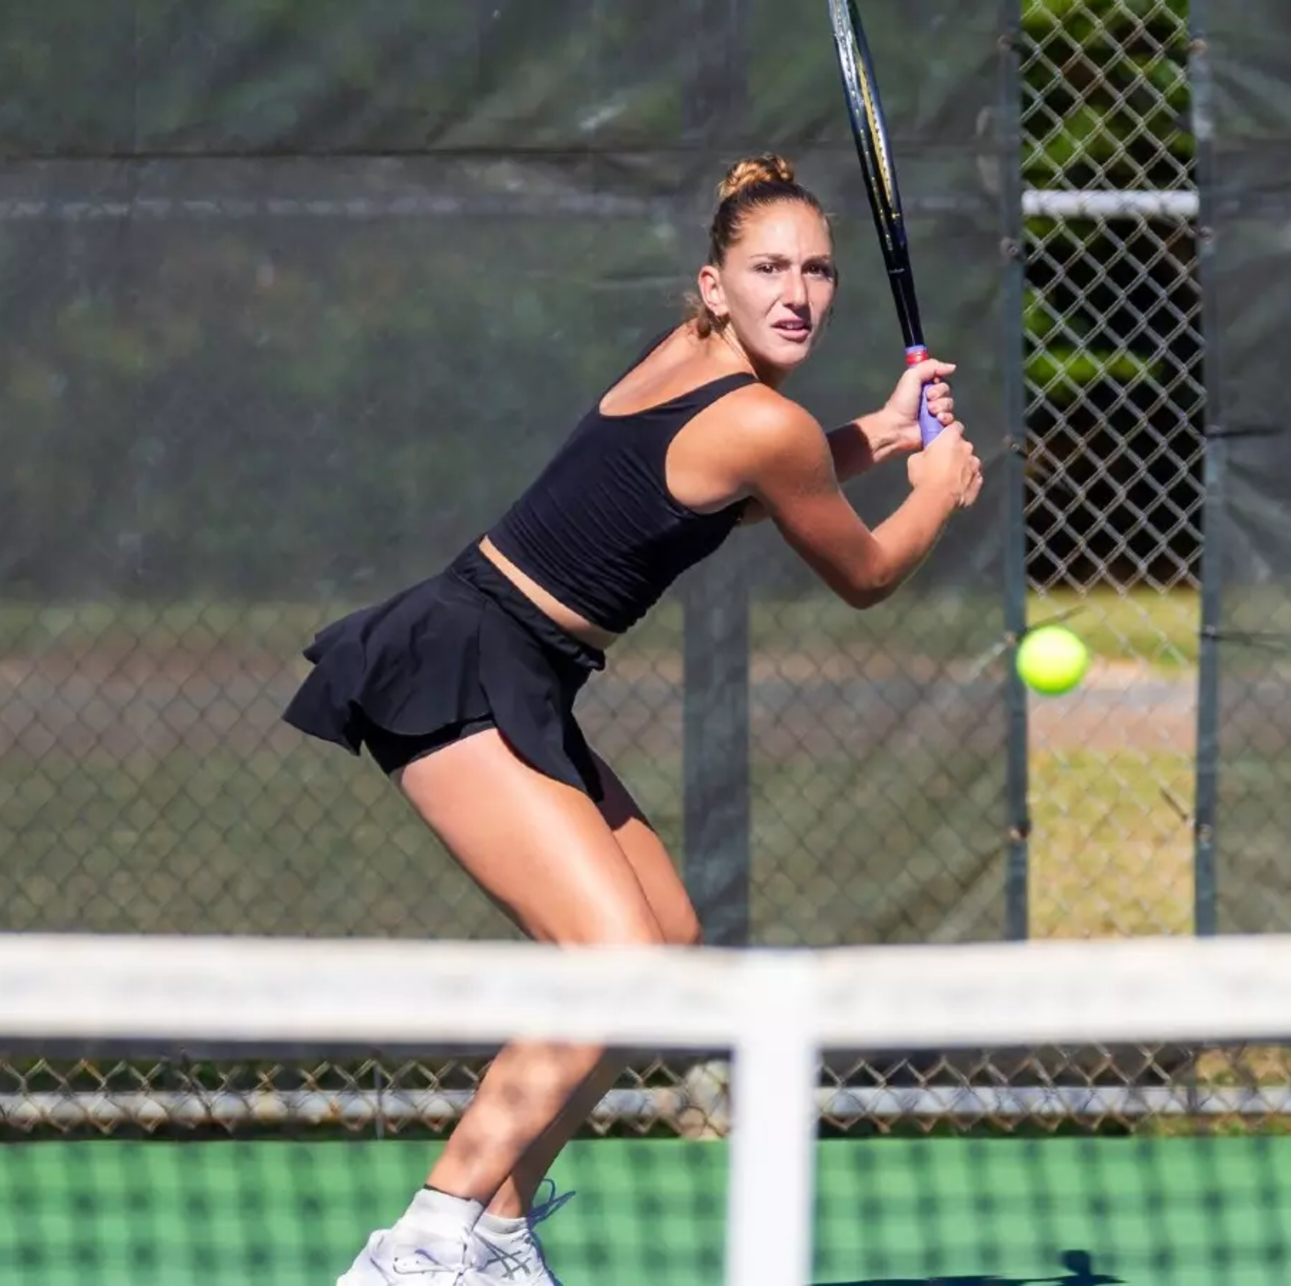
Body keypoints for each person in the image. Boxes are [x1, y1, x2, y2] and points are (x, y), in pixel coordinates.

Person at [282, 152, 985, 1286]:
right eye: (767, 269)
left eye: (817, 270)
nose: (796, 293)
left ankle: (496, 1235)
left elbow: (734, 488)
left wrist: (883, 432)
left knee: (665, 947)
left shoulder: (699, 366)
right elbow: (861, 570)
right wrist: (937, 491)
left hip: (521, 665)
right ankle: (419, 1246)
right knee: (612, 961)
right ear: (715, 285)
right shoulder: (765, 421)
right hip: (463, 661)